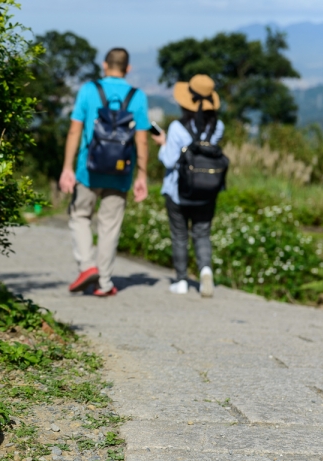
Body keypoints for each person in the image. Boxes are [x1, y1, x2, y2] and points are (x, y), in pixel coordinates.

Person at [60, 48, 150, 296]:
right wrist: (142, 175)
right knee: (110, 225)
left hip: (87, 170)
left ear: (104, 65)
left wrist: (67, 168)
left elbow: (74, 131)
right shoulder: (138, 96)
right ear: (128, 68)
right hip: (121, 172)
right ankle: (105, 283)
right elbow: (142, 140)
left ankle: (88, 267)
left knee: (80, 216)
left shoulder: (89, 90)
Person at [151, 74, 224, 297]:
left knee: (180, 235)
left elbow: (170, 161)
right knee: (202, 233)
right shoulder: (218, 126)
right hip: (207, 191)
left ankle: (181, 281)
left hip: (178, 190)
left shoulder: (177, 128)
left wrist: (163, 144)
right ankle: (205, 271)